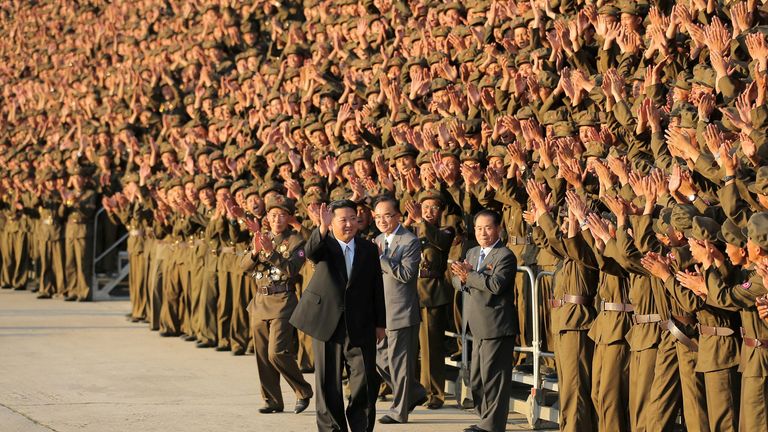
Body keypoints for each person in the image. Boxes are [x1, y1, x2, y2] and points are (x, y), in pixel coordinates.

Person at [290, 199, 386, 432]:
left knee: (364, 380)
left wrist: (380, 324)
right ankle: (333, 428)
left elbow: (377, 286)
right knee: (328, 383)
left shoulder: (369, 249)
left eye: (353, 219)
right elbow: (310, 252)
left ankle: (361, 426)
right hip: (327, 324)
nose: (349, 224)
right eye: (342, 220)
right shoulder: (324, 245)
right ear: (331, 222)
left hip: (361, 324)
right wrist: (321, 228)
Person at [241, 194, 313, 414]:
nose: (277, 219)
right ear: (267, 218)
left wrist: (271, 253)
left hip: (283, 301)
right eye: (273, 215)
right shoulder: (261, 237)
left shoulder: (296, 241)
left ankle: (303, 391)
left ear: (289, 217)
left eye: (282, 215)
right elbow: (244, 267)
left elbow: (291, 270)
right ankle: (272, 400)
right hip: (260, 302)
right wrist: (255, 251)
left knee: (276, 352)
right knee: (262, 356)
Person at [450, 210, 517, 432]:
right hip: (475, 324)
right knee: (477, 379)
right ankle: (485, 419)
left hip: (496, 325)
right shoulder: (471, 252)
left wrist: (469, 276)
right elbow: (456, 280)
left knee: (494, 379)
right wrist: (464, 278)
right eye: (479, 228)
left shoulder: (505, 255)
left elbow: (496, 285)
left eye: (488, 228)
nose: (483, 233)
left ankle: (492, 426)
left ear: (498, 229)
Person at [372, 195, 428, 424]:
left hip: (402, 311)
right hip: (381, 312)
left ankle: (399, 410)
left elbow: (406, 275)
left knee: (399, 364)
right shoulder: (377, 239)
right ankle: (413, 392)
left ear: (398, 216)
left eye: (387, 215)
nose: (382, 220)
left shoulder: (410, 241)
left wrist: (382, 258)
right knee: (379, 360)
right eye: (378, 216)